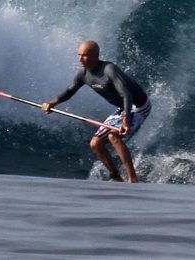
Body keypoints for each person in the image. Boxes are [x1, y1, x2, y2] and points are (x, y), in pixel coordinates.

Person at [41, 40, 151, 183]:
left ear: (95, 56)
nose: (80, 59)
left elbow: (127, 95)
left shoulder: (109, 70)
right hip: (124, 108)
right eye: (79, 55)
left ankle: (133, 179)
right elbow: (69, 91)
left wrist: (125, 119)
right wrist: (52, 103)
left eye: (85, 55)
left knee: (113, 136)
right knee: (95, 144)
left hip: (139, 106)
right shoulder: (83, 73)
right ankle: (116, 177)